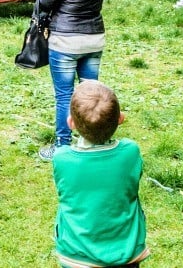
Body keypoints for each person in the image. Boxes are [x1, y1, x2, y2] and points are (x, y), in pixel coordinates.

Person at [52, 81, 148, 268]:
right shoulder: (130, 152)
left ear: (70, 123)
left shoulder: (62, 158)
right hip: (126, 252)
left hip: (76, 254)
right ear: (121, 118)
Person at [36, 0, 112, 160]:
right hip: (94, 39)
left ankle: (62, 146)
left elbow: (45, 0)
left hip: (66, 42)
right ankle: (95, 139)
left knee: (64, 96)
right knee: (92, 96)